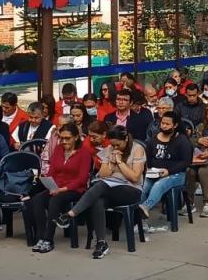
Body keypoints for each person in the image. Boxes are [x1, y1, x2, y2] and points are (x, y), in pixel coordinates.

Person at [56, 125, 147, 259]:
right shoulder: (109, 149)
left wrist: (120, 162)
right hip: (109, 187)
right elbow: (103, 174)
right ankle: (101, 243)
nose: (114, 148)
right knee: (98, 198)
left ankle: (71, 214)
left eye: (117, 145)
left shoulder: (137, 149)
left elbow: (134, 177)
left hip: (131, 189)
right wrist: (110, 162)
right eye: (112, 145)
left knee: (100, 187)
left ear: (126, 139)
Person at [28, 123, 91, 253]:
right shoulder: (58, 149)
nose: (64, 141)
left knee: (55, 200)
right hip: (56, 186)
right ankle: (40, 237)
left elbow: (82, 179)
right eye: (61, 138)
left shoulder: (84, 153)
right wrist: (49, 183)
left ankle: (48, 239)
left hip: (74, 189)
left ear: (76, 138)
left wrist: (63, 189)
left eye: (67, 138)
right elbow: (52, 170)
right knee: (38, 199)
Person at [138, 111, 193, 225]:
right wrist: (150, 170)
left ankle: (145, 207)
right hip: (155, 173)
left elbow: (186, 162)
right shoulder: (154, 139)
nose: (164, 126)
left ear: (175, 125)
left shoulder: (182, 140)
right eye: (162, 123)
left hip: (176, 175)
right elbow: (148, 157)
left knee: (160, 184)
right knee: (144, 187)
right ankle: (140, 221)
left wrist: (169, 171)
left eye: (167, 124)